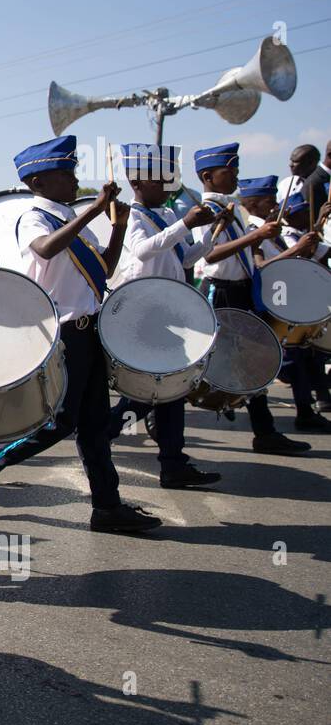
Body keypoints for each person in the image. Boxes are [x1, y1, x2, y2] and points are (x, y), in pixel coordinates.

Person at [0, 135, 162, 532]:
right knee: (62, 420)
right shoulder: (34, 218)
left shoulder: (73, 220)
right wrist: (92, 212)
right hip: (63, 335)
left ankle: (107, 506)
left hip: (89, 332)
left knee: (94, 427)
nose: (74, 180)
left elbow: (103, 270)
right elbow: (46, 250)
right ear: (38, 183)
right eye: (66, 173)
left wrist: (118, 226)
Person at [104, 144, 221, 487]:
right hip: (143, 313)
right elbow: (142, 251)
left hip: (169, 311)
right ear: (138, 182)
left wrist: (210, 231)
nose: (171, 187)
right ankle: (101, 435)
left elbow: (187, 259)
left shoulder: (167, 216)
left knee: (170, 390)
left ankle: (173, 463)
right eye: (163, 180)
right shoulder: (132, 216)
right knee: (148, 393)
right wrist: (186, 222)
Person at [195, 143, 310, 455]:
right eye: (228, 171)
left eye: (235, 170)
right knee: (208, 363)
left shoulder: (231, 210)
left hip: (242, 291)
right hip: (222, 292)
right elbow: (207, 255)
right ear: (208, 176)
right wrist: (255, 237)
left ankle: (265, 431)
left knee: (253, 361)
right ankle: (142, 413)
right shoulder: (205, 212)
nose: (235, 176)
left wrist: (262, 238)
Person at [252, 186, 331, 433]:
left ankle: (305, 411)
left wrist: (315, 229)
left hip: (287, 301)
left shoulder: (275, 233)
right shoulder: (255, 232)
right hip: (269, 301)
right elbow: (261, 266)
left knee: (301, 356)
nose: (276, 206)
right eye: (269, 202)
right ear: (254, 204)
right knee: (277, 362)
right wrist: (297, 248)